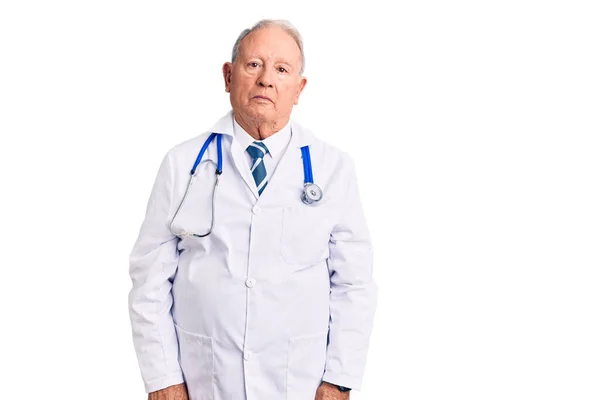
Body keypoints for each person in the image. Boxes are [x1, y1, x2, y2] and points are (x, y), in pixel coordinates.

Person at [128, 19, 378, 400]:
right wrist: (162, 379)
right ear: (228, 76)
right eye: (253, 65)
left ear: (299, 88)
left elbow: (354, 284)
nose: (266, 80)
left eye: (281, 69)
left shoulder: (333, 168)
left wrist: (339, 379)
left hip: (300, 383)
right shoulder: (182, 164)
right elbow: (149, 278)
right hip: (204, 381)